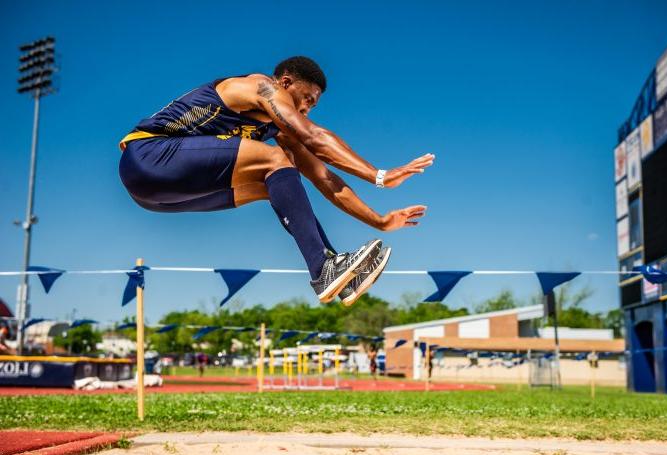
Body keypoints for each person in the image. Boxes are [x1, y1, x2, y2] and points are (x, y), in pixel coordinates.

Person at [119, 57, 433, 304]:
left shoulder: (277, 129)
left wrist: (379, 221)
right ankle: (324, 270)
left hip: (152, 197)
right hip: (148, 156)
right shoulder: (259, 87)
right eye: (306, 98)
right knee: (275, 161)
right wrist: (379, 175)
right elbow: (314, 136)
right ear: (285, 83)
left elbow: (324, 177)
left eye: (313, 104)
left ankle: (334, 269)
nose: (307, 108)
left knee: (274, 185)